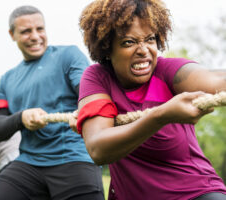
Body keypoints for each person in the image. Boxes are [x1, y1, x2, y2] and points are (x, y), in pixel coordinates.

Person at [77, 0, 226, 200]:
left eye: (150, 39)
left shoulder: (168, 71)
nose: (143, 50)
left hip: (196, 193)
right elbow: (98, 148)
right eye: (128, 42)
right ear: (106, 48)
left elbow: (216, 80)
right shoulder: (98, 78)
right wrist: (161, 116)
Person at [0, 5, 104, 200]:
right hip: (28, 164)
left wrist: (83, 110)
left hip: (73, 158)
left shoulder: (68, 55)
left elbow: (88, 93)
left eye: (40, 29)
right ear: (12, 34)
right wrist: (21, 118)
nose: (35, 36)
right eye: (26, 31)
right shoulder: (7, 79)